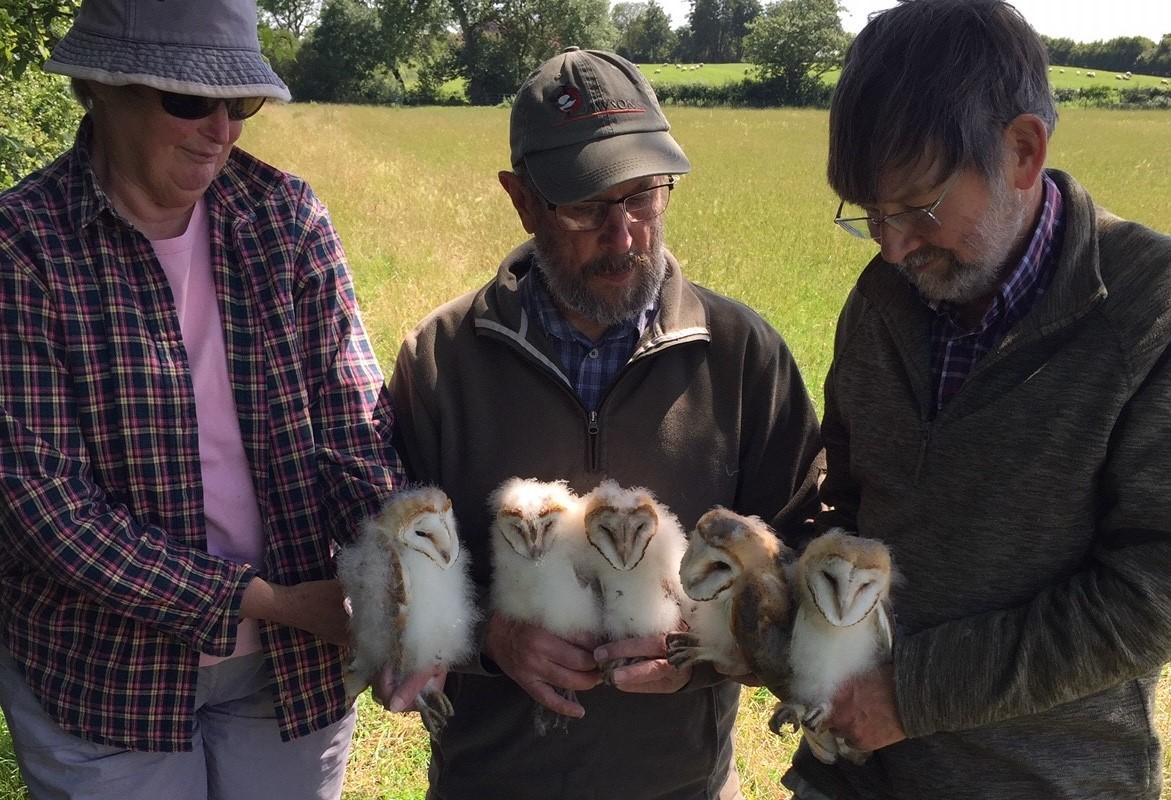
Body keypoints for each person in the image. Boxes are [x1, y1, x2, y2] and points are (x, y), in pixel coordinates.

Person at [388, 47, 823, 800]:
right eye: (585, 207)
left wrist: (705, 650)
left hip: (678, 785)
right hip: (489, 783)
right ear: (521, 200)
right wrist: (496, 637)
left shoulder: (742, 357)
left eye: (644, 198)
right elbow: (393, 576)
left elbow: (802, 558)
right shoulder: (440, 361)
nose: (623, 236)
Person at [0, 0, 408, 797]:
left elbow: (354, 425)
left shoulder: (285, 217)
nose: (221, 128)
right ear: (103, 89)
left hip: (292, 674)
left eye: (240, 103)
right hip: (104, 678)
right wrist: (273, 602)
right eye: (189, 100)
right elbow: (44, 505)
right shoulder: (22, 246)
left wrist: (392, 590)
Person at [781, 1, 1171, 798]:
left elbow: (1152, 590)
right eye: (871, 215)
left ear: (1022, 151)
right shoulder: (883, 298)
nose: (892, 245)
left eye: (917, 207)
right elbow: (847, 499)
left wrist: (914, 692)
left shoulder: (1145, 314)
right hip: (853, 777)